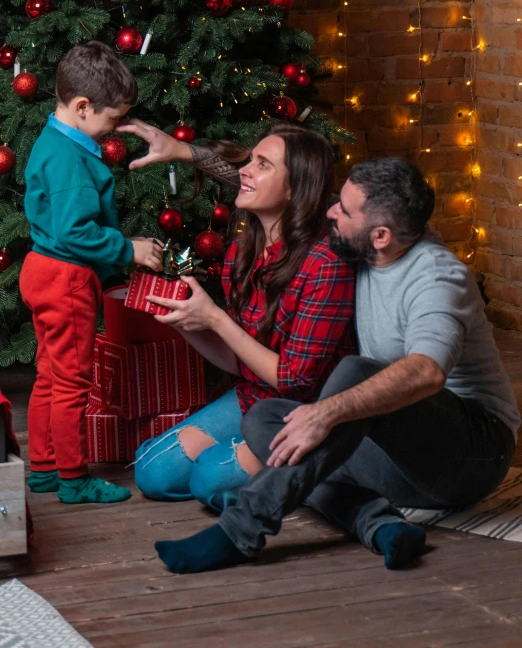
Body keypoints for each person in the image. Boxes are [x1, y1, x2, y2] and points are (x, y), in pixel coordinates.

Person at [123, 151, 519, 574]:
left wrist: (326, 412)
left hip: (469, 458)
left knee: (351, 378)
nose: (331, 211)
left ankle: (239, 532)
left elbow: (426, 372)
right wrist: (184, 150)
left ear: (380, 235)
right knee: (266, 420)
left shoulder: (437, 278)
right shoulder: (363, 236)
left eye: (343, 210)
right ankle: (379, 523)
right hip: (398, 462)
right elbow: (289, 191)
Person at [128, 122, 356, 508]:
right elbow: (240, 362)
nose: (244, 171)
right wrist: (188, 323)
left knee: (209, 481)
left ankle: (317, 471)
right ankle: (279, 474)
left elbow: (295, 382)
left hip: (305, 411)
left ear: (294, 188)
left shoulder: (326, 263)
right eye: (250, 159)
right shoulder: (245, 247)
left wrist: (216, 319)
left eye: (262, 165)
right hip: (253, 396)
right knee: (152, 470)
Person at [20, 41, 163, 505]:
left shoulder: (54, 140)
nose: (113, 129)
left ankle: (43, 467)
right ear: (82, 107)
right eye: (110, 119)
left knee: (48, 374)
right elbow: (75, 230)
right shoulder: (72, 160)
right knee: (73, 382)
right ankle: (73, 478)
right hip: (66, 277)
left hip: (41, 269)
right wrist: (128, 249)